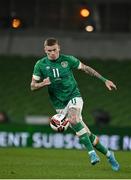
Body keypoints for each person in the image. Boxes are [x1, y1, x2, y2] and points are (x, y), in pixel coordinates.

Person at [30, 37, 120, 171]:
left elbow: (86, 68)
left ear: (59, 48)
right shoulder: (40, 64)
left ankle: (92, 154)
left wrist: (104, 80)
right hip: (59, 104)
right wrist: (43, 83)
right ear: (45, 50)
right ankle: (109, 154)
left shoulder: (68, 60)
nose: (52, 53)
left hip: (74, 96)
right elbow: (32, 86)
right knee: (87, 135)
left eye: (54, 50)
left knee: (73, 119)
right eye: (49, 51)